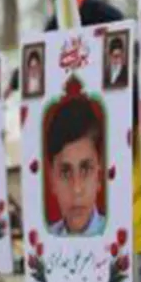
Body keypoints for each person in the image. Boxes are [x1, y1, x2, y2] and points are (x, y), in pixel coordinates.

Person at [45, 96, 105, 237]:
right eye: (65, 172)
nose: (76, 189)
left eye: (86, 170)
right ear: (52, 180)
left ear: (99, 176)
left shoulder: (118, 234)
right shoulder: (46, 237)